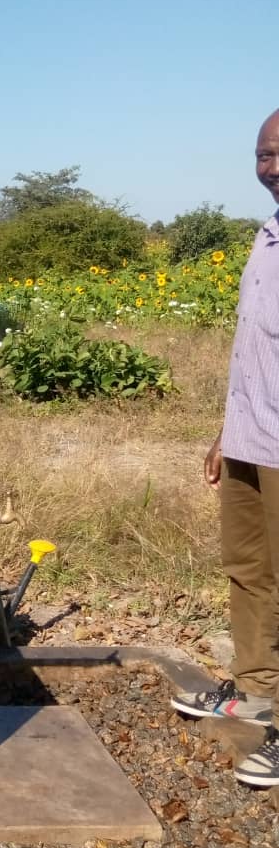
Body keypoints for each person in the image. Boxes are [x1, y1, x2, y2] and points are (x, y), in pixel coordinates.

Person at [170, 108, 279, 787]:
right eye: (265, 153)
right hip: (253, 439)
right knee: (248, 568)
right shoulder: (267, 237)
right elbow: (256, 354)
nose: (273, 166)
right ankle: (259, 689)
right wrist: (225, 432)